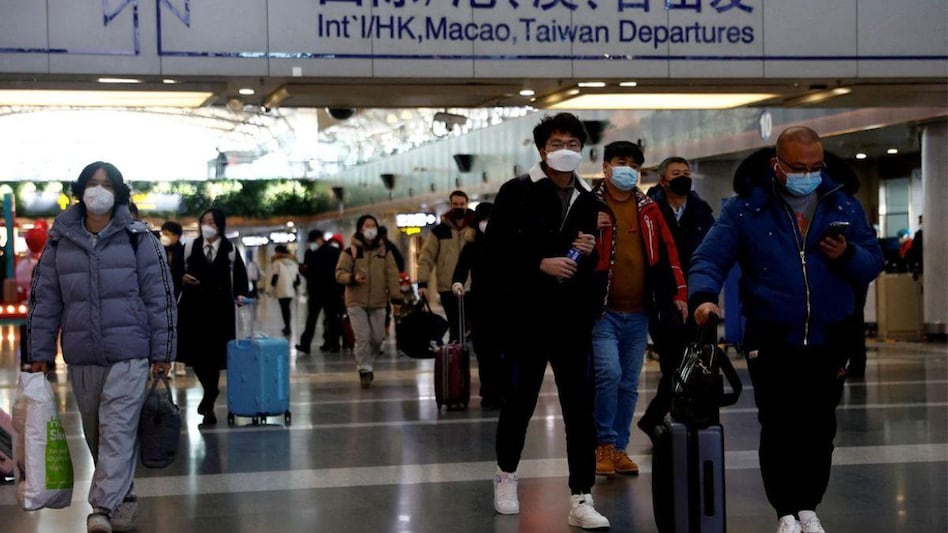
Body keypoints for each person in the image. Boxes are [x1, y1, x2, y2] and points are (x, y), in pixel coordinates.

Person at [689, 127, 883, 533]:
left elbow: (872, 263)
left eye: (815, 166)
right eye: (798, 167)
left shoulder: (842, 204)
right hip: (772, 336)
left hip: (831, 337)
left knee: (819, 427)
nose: (808, 174)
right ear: (776, 164)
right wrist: (704, 296)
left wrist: (847, 254)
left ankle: (809, 506)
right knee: (778, 424)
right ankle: (785, 511)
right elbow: (710, 257)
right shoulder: (746, 210)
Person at [24, 161, 176, 533]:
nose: (98, 190)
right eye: (92, 183)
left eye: (106, 184)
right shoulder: (60, 241)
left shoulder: (140, 238)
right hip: (82, 354)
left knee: (118, 428)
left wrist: (163, 352)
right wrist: (38, 354)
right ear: (81, 190)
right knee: (96, 431)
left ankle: (101, 509)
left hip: (130, 352)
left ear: (119, 192)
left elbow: (161, 298)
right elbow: (45, 301)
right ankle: (121, 496)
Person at [486, 113, 610, 530]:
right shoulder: (517, 192)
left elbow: (589, 265)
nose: (567, 151)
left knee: (580, 410)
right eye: (558, 143)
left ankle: (581, 496)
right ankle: (506, 476)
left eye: (574, 144)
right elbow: (495, 255)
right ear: (542, 149)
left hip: (572, 322)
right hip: (526, 319)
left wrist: (586, 255)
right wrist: (540, 263)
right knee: (518, 402)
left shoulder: (589, 199)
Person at [590, 142, 688, 478]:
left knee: (629, 383)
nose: (627, 169)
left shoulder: (648, 208)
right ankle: (601, 443)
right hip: (601, 311)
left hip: (639, 311)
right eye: (621, 162)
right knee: (608, 374)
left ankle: (618, 448)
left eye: (634, 164)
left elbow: (668, 251)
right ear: (605, 167)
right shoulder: (590, 205)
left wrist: (679, 293)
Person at [638, 156, 715, 438]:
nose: (683, 177)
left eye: (686, 172)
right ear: (663, 180)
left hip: (696, 295)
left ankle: (664, 417)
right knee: (674, 363)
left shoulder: (701, 209)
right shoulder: (649, 210)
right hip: (664, 299)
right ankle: (657, 417)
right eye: (676, 173)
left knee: (690, 363)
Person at [176, 207, 249, 426]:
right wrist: (182, 278)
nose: (207, 225)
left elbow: (240, 278)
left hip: (220, 311)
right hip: (193, 310)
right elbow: (174, 272)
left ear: (220, 225)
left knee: (214, 357)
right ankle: (211, 391)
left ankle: (209, 403)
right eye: (204, 221)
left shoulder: (229, 250)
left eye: (212, 221)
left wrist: (240, 294)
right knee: (197, 357)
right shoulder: (189, 247)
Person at [451, 202, 509, 410]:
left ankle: (501, 390)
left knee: (503, 350)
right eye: (484, 219)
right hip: (480, 304)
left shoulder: (506, 244)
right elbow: (460, 270)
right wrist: (457, 283)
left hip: (504, 305)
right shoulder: (472, 246)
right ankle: (489, 391)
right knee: (485, 352)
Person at [335, 215, 402, 388]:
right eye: (367, 225)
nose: (370, 229)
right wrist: (352, 277)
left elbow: (392, 275)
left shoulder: (384, 251)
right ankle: (364, 369)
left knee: (378, 338)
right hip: (356, 301)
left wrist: (396, 298)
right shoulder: (350, 252)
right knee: (362, 337)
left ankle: (366, 361)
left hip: (379, 301)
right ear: (360, 229)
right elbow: (339, 274)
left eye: (373, 225)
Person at [417, 190, 474, 343]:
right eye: (455, 204)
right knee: (455, 325)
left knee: (472, 325)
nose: (459, 207)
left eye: (462, 204)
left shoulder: (474, 229)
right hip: (448, 287)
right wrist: (422, 283)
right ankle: (456, 359)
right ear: (450, 205)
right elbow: (426, 258)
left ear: (467, 204)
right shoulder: (439, 231)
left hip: (473, 286)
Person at [297, 230, 345, 354]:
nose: (312, 244)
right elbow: (308, 272)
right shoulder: (310, 252)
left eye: (313, 241)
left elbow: (339, 271)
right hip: (317, 292)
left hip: (329, 291)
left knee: (330, 319)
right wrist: (303, 270)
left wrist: (341, 290)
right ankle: (306, 344)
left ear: (320, 239)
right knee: (314, 319)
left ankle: (332, 344)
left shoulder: (332, 252)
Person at [268, 244, 300, 336]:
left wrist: (271, 287)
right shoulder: (293, 262)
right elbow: (297, 278)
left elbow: (275, 276)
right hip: (291, 289)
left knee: (284, 309)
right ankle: (287, 326)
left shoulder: (277, 263)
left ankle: (287, 327)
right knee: (287, 308)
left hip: (281, 288)